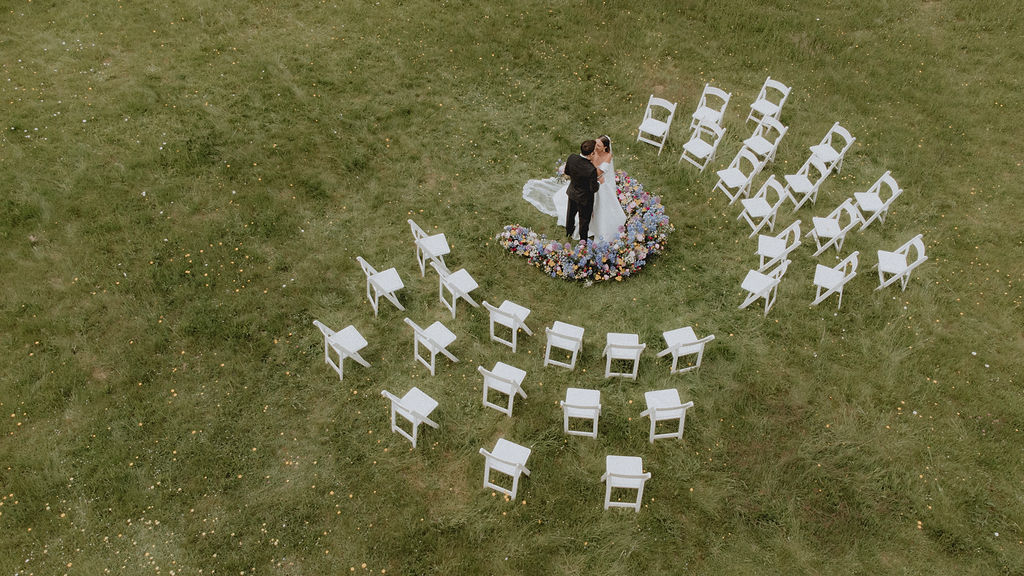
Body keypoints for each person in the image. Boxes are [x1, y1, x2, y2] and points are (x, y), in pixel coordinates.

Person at [588, 135, 627, 242]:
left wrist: (588, 169)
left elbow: (599, 173)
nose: (595, 146)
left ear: (605, 147)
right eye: (595, 143)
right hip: (591, 180)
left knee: (600, 205)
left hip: (600, 183)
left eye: (599, 145)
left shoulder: (608, 156)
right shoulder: (593, 150)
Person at [563, 139, 600, 242]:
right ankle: (583, 240)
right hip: (585, 199)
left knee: (570, 214)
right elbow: (593, 188)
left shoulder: (572, 158)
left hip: (572, 193)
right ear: (591, 154)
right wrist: (598, 184)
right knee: (584, 220)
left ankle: (568, 231)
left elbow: (567, 172)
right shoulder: (591, 169)